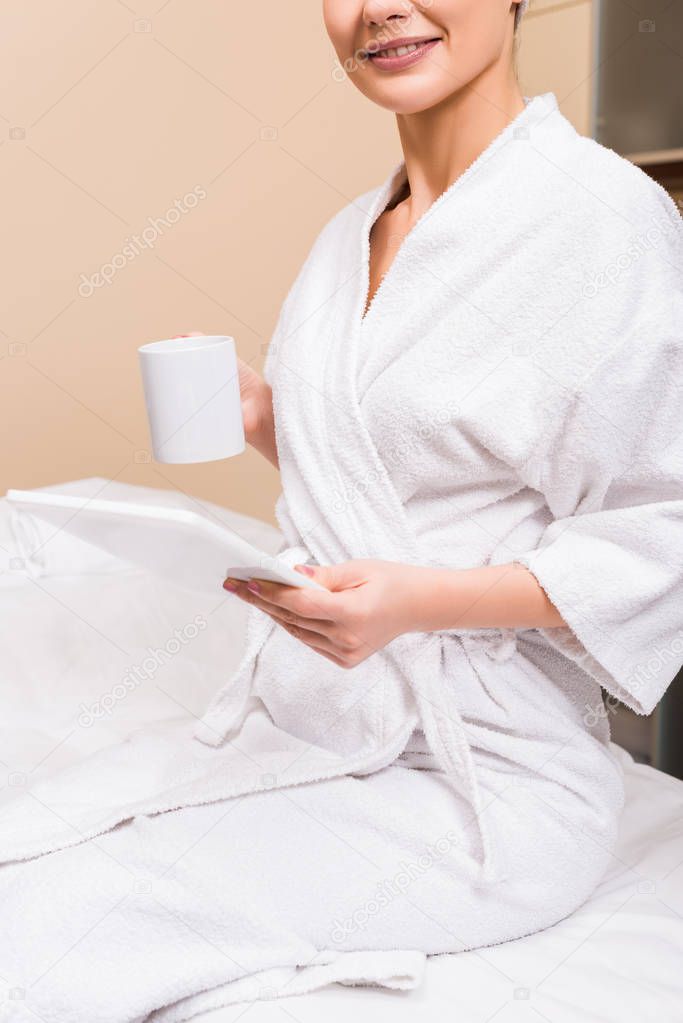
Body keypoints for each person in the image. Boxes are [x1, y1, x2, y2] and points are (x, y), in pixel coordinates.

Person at [1, 2, 681, 1020]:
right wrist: (271, 417)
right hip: (314, 721)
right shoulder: (350, 233)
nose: (378, 8)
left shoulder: (602, 218)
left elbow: (658, 527)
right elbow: (398, 475)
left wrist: (419, 604)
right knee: (59, 827)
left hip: (487, 782)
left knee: (76, 914)